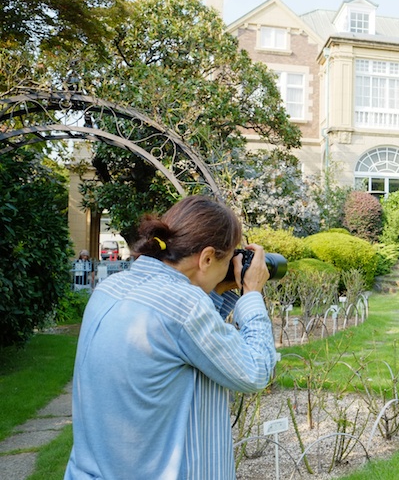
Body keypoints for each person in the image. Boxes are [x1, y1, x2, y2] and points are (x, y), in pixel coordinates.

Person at [66, 195, 276, 480]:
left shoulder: (111, 287)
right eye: (226, 260)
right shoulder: (184, 306)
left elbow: (185, 336)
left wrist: (217, 289)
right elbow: (256, 371)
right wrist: (251, 293)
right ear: (207, 258)